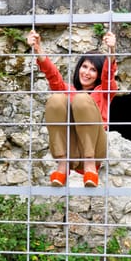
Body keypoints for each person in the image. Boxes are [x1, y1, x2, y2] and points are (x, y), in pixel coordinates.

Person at [27, 29, 118, 187]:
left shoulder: (103, 91)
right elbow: (53, 76)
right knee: (56, 99)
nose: (87, 72)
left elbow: (108, 74)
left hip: (95, 150)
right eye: (84, 67)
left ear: (98, 74)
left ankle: (90, 165)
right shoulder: (69, 90)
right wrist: (38, 50)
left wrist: (112, 50)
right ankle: (62, 164)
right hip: (72, 150)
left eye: (93, 69)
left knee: (82, 99)